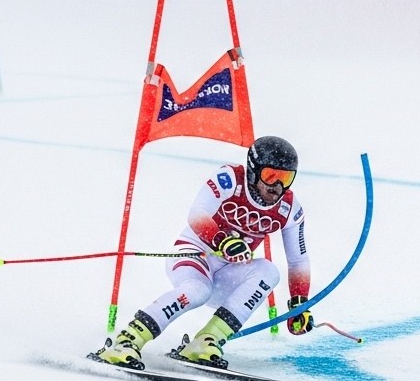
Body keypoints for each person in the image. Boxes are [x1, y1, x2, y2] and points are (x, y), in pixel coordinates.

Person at [94, 135, 314, 369]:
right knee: (198, 290)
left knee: (269, 271)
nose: (277, 187)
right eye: (271, 176)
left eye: (286, 178)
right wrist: (222, 240)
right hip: (194, 253)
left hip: (228, 272)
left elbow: (298, 260)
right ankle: (127, 340)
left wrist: (299, 303)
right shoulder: (229, 179)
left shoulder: (289, 208)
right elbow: (197, 214)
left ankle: (205, 341)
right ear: (253, 170)